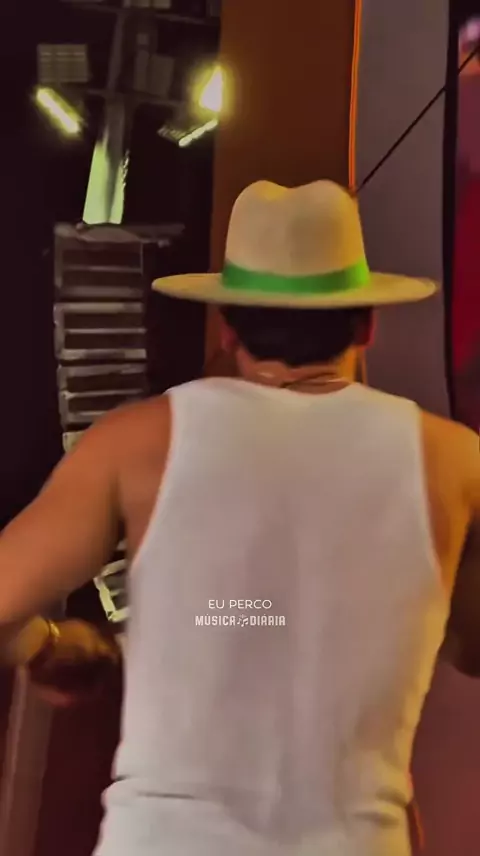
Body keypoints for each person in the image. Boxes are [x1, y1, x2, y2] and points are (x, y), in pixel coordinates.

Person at [0, 180, 478, 856]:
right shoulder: (456, 463)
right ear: (367, 324)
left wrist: (48, 649)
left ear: (227, 326)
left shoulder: (138, 444)